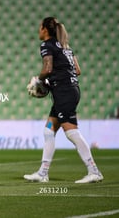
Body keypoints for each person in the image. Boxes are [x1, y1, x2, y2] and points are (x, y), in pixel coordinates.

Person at [24, 17, 103, 183]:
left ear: (45, 29)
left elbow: (48, 68)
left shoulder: (47, 45)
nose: (39, 30)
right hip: (70, 90)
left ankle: (94, 171)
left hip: (64, 92)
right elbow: (78, 70)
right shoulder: (66, 47)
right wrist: (52, 80)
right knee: (48, 131)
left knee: (71, 131)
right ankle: (43, 173)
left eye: (40, 27)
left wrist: (39, 80)